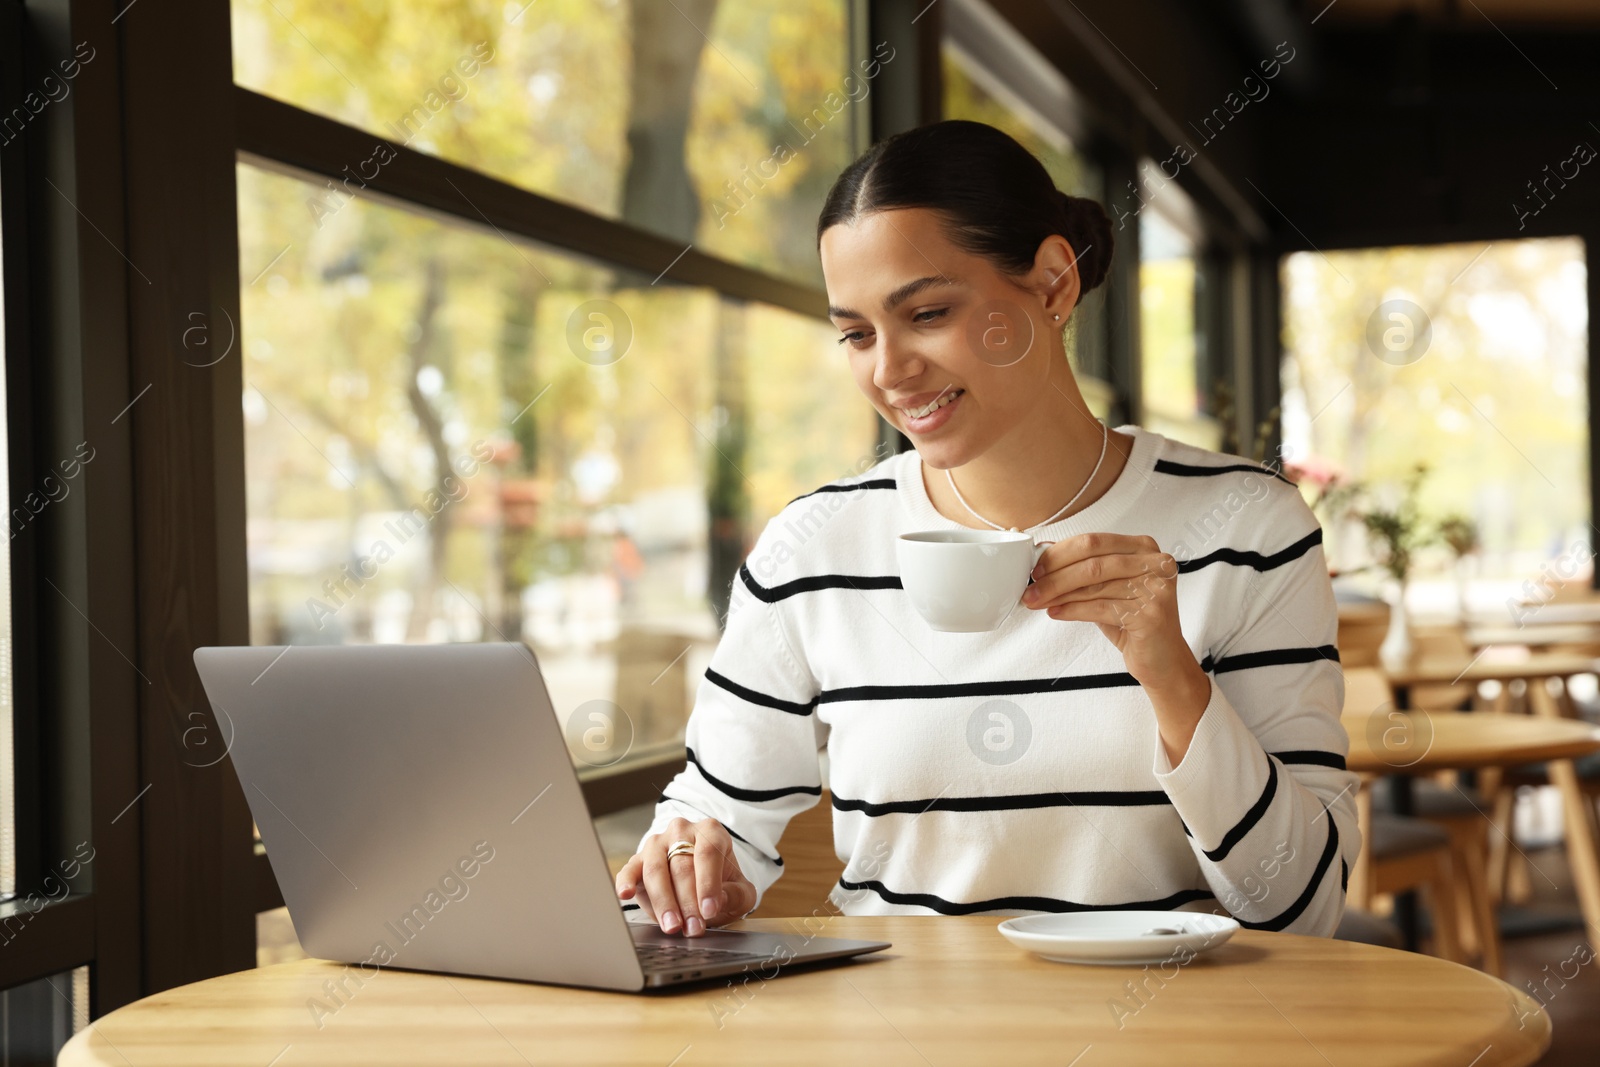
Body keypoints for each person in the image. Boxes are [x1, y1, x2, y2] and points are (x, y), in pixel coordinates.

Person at [614, 119, 1359, 939]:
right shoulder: (812, 549)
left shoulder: (1249, 526)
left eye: (927, 312)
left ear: (1051, 283)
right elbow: (714, 817)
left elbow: (1306, 904)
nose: (891, 371)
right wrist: (687, 860)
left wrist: (1174, 678)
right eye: (857, 334)